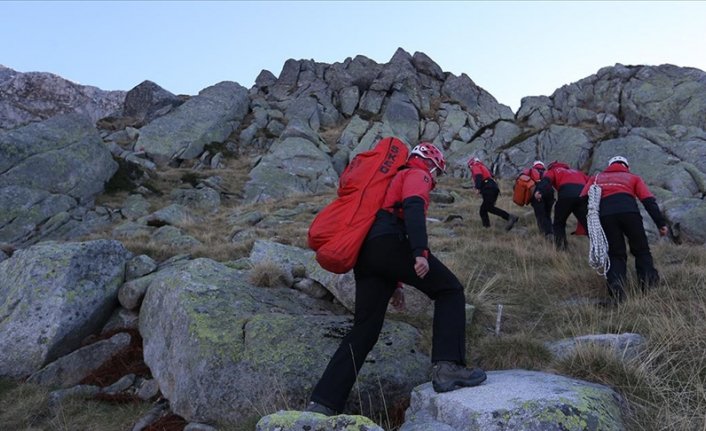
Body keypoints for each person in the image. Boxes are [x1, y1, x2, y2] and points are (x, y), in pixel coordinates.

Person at [306, 143, 486, 416]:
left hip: (367, 252)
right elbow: (413, 208)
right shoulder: (417, 172)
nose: (435, 178)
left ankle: (323, 402)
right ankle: (447, 368)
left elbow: (385, 232)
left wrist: (397, 284)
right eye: (437, 171)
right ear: (431, 163)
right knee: (450, 290)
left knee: (364, 330)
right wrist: (420, 253)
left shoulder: (392, 180)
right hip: (392, 242)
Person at [580, 156, 669, 303]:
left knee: (615, 254)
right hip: (630, 213)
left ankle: (617, 289)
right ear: (626, 166)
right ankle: (648, 285)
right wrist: (661, 224)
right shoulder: (632, 177)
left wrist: (589, 225)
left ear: (610, 166)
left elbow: (582, 199)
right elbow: (648, 201)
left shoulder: (596, 178)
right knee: (641, 250)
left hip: (606, 216)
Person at [534, 161, 588, 250]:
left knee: (559, 223)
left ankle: (561, 248)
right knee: (588, 225)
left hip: (566, 195)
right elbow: (591, 181)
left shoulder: (553, 170)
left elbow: (546, 181)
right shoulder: (577, 172)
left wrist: (539, 191)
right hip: (583, 195)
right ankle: (601, 248)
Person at [467, 157, 519, 231]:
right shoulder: (483, 166)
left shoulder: (475, 166)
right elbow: (491, 176)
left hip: (488, 188)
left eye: (469, 167)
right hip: (493, 188)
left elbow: (478, 176)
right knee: (488, 208)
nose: (470, 168)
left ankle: (508, 218)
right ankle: (488, 227)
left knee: (484, 209)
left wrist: (477, 188)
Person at [523, 160, 554, 240]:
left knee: (540, 215)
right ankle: (550, 232)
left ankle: (544, 234)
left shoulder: (531, 171)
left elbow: (522, 178)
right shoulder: (548, 173)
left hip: (537, 193)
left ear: (534, 166)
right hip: (549, 194)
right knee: (547, 215)